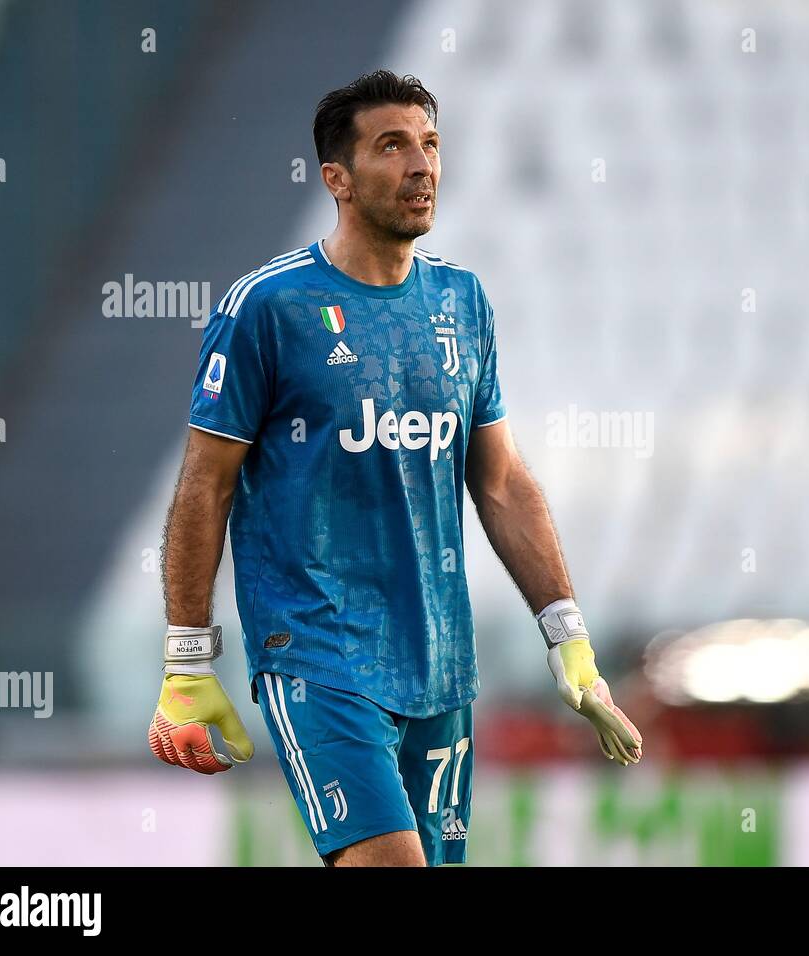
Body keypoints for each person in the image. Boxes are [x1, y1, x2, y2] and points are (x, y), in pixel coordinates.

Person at [148, 69, 642, 867]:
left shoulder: (462, 302)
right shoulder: (269, 308)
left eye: (431, 144)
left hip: (441, 663)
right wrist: (186, 658)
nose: (422, 165)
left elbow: (501, 480)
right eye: (393, 146)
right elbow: (206, 482)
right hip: (318, 654)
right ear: (336, 178)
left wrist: (568, 636)